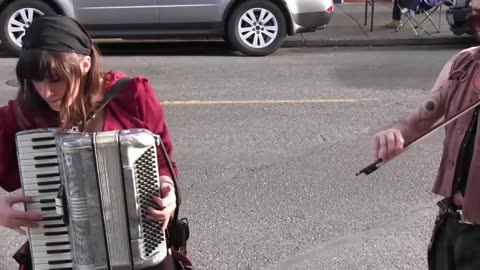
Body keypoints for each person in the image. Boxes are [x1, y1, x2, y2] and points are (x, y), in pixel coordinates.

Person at [0, 15, 179, 270]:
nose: (45, 91)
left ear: (85, 65)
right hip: (60, 253)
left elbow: (163, 163)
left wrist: (166, 188)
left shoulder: (132, 96)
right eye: (35, 79)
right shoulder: (23, 115)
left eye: (55, 79)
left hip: (138, 246)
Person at [372, 4, 480, 270]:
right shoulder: (462, 65)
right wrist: (396, 133)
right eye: (475, 16)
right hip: (452, 225)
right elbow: (418, 120)